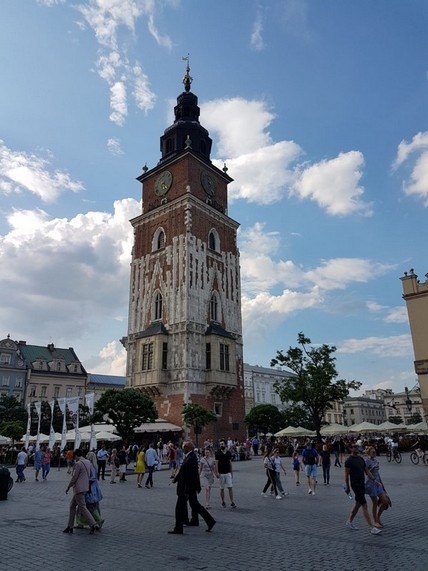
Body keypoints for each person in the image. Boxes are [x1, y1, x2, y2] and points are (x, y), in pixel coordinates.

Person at [168, 441, 216, 534]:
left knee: (179, 507)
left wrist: (186, 490)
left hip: (187, 488)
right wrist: (176, 479)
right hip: (189, 488)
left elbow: (190, 476)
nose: (182, 449)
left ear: (187, 447)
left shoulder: (191, 458)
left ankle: (178, 528)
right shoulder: (190, 457)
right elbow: (183, 470)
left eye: (183, 447)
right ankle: (210, 521)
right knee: (195, 505)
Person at [344, 443, 382, 535]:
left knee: (358, 504)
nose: (357, 449)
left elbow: (366, 470)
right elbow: (346, 475)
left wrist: (374, 479)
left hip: (362, 483)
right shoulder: (348, 461)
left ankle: (349, 522)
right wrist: (347, 486)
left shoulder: (361, 459)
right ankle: (371, 527)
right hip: (355, 485)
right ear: (351, 449)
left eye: (357, 447)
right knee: (364, 505)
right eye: (354, 447)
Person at [63, 449, 100, 535]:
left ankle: (93, 524)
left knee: (83, 507)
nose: (74, 459)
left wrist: (69, 486)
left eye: (74, 457)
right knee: (72, 506)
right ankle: (70, 526)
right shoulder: (87, 462)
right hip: (85, 487)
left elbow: (74, 477)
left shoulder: (78, 464)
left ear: (76, 456)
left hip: (78, 489)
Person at [365, 446, 389, 528]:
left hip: (378, 483)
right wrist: (372, 468)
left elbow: (377, 473)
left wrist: (382, 484)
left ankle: (378, 517)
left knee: (385, 501)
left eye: (375, 452)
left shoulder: (376, 460)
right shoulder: (367, 461)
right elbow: (366, 472)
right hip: (371, 483)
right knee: (375, 503)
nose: (375, 453)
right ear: (369, 453)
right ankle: (374, 521)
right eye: (373, 452)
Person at [215, 440, 237, 508]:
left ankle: (232, 501)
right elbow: (216, 463)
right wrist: (217, 472)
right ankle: (223, 501)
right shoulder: (218, 453)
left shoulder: (228, 453)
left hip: (228, 473)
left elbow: (230, 463)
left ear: (225, 445)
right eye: (220, 444)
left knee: (230, 487)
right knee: (222, 488)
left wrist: (231, 472)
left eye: (222, 444)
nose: (221, 445)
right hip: (221, 473)